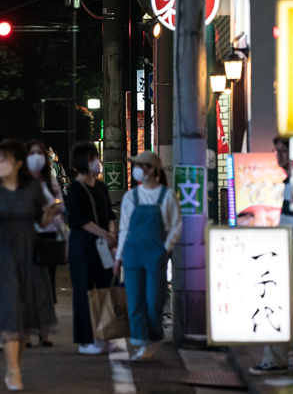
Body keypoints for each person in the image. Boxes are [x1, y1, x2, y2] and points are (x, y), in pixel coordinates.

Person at [0, 139, 59, 391]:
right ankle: (13, 370)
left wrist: (49, 213)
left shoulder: (32, 187)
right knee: (10, 310)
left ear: (18, 163)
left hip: (29, 253)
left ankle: (15, 368)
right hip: (0, 253)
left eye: (4, 159)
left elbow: (41, 222)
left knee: (23, 316)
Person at [111, 151, 182, 361]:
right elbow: (123, 228)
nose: (136, 170)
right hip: (132, 254)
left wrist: (165, 249)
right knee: (134, 301)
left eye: (139, 166)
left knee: (154, 300)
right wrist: (118, 258)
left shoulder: (167, 196)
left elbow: (175, 227)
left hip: (155, 254)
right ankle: (143, 344)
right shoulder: (130, 196)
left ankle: (152, 339)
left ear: (151, 169)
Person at [64, 142, 118, 354]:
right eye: (91, 157)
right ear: (81, 162)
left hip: (104, 245)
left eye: (96, 156)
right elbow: (79, 220)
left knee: (106, 289)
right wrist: (106, 234)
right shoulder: (74, 189)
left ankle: (105, 335)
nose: (97, 161)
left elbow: (109, 215)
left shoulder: (101, 186)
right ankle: (86, 340)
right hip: (83, 244)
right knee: (84, 291)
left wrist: (111, 235)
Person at [250, 137, 293, 375]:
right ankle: (282, 358)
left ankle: (280, 358)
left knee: (283, 305)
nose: (279, 156)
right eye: (276, 151)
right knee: (285, 306)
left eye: (283, 151)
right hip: (288, 250)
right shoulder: (288, 181)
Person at [25, 139, 65, 347]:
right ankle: (26, 332)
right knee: (27, 285)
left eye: (39, 153)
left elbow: (62, 206)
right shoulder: (20, 180)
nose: (36, 157)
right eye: (32, 153)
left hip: (48, 237)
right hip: (26, 237)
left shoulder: (50, 180)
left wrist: (53, 207)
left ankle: (44, 331)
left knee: (47, 287)